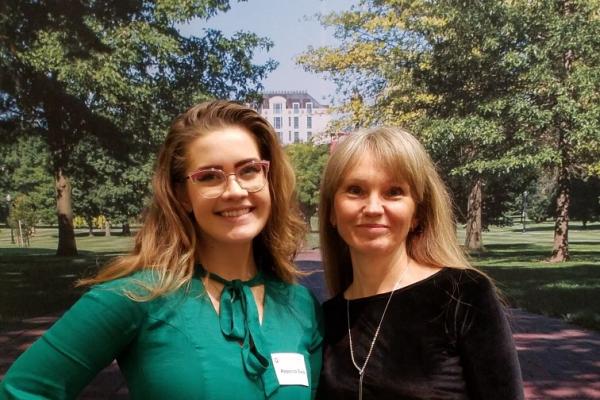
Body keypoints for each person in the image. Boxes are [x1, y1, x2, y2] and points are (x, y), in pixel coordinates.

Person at [1, 101, 323, 400]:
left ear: (268, 178)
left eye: (249, 170)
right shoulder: (139, 296)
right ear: (182, 194)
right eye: (209, 176)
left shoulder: (300, 305)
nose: (235, 190)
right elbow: (21, 390)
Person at [316, 127, 524, 400]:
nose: (374, 208)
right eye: (355, 190)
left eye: (394, 192)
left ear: (417, 213)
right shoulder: (327, 318)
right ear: (332, 211)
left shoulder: (463, 295)